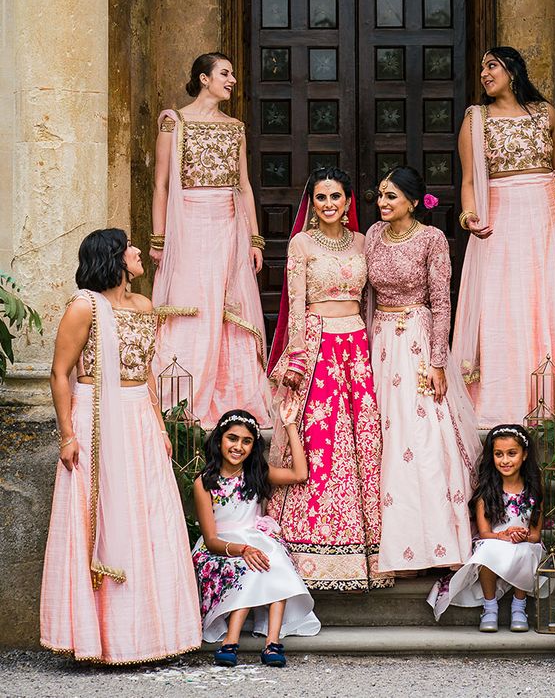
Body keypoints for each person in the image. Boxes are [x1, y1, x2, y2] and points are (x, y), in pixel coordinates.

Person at [41, 228, 201, 664]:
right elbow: (59, 373)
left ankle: (152, 637)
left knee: (148, 515)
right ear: (112, 257)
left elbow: (147, 372)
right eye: (129, 246)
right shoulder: (84, 306)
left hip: (139, 419)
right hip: (95, 418)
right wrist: (67, 435)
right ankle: (103, 640)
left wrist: (161, 425)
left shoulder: (144, 306)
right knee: (103, 514)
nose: (136, 251)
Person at [453, 46, 555, 427]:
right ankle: (500, 402)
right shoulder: (475, 119)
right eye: (481, 67)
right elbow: (468, 181)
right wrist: (469, 217)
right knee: (504, 306)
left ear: (513, 70)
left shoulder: (544, 113)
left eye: (492, 66)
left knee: (545, 300)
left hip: (546, 219)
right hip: (501, 220)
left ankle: (550, 403)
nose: (484, 73)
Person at [266, 167, 392, 591]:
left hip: (358, 346)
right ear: (312, 203)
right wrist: (298, 354)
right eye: (321, 197)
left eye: (336, 197)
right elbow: (296, 303)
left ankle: (370, 551)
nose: (328, 205)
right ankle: (313, 548)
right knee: (323, 442)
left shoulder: (363, 242)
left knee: (364, 442)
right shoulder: (301, 243)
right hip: (320, 346)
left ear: (349, 201)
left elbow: (373, 300)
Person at [364, 166, 481, 572]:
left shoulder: (432, 240)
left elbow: (441, 302)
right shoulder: (372, 238)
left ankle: (441, 543)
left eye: (391, 196)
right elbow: (366, 297)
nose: (382, 202)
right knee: (385, 438)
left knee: (423, 437)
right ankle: (397, 548)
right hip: (380, 342)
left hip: (416, 338)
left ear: (413, 202)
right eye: (380, 195)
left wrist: (436, 361)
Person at [151, 52, 270, 429]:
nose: (232, 80)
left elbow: (245, 186)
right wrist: (159, 240)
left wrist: (254, 238)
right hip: (188, 226)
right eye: (225, 73)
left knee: (227, 307)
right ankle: (179, 401)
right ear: (204, 78)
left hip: (228, 227)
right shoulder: (176, 122)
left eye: (232, 74)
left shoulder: (235, 127)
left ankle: (231, 395)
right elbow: (161, 185)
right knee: (191, 305)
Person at [192, 406, 321, 669]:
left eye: (247, 441)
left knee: (275, 560)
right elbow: (211, 539)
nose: (238, 446)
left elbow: (300, 473)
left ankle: (272, 642)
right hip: (222, 548)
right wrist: (242, 550)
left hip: (255, 539)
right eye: (232, 438)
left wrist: (290, 426)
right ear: (219, 440)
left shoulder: (256, 473)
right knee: (249, 564)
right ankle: (231, 639)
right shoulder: (205, 482)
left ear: (253, 447)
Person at [427, 425, 544, 632]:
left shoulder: (533, 489)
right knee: (487, 550)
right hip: (495, 540)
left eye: (512, 454)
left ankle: (519, 606)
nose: (505, 460)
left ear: (524, 455)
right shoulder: (487, 491)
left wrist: (523, 536)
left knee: (525, 552)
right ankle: (490, 607)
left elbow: (535, 535)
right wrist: (503, 535)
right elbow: (484, 533)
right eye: (499, 454)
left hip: (524, 544)